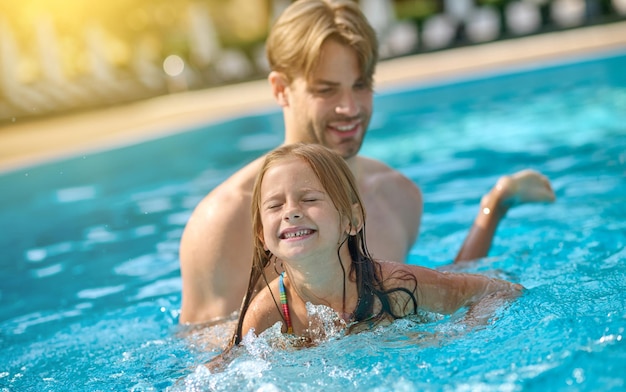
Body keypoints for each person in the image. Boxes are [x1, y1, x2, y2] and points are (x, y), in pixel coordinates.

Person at [178, 0, 555, 324]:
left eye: (361, 85)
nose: (350, 108)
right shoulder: (225, 221)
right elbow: (211, 359)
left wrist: (491, 210)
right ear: (280, 89)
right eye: (326, 90)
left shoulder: (397, 195)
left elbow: (435, 294)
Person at [229, 143, 525, 346]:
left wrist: (455, 336)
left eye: (309, 199)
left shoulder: (396, 286)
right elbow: (228, 366)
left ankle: (495, 206)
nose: (291, 211)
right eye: (275, 205)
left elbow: (497, 291)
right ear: (260, 234)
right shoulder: (270, 311)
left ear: (352, 219)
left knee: (458, 270)